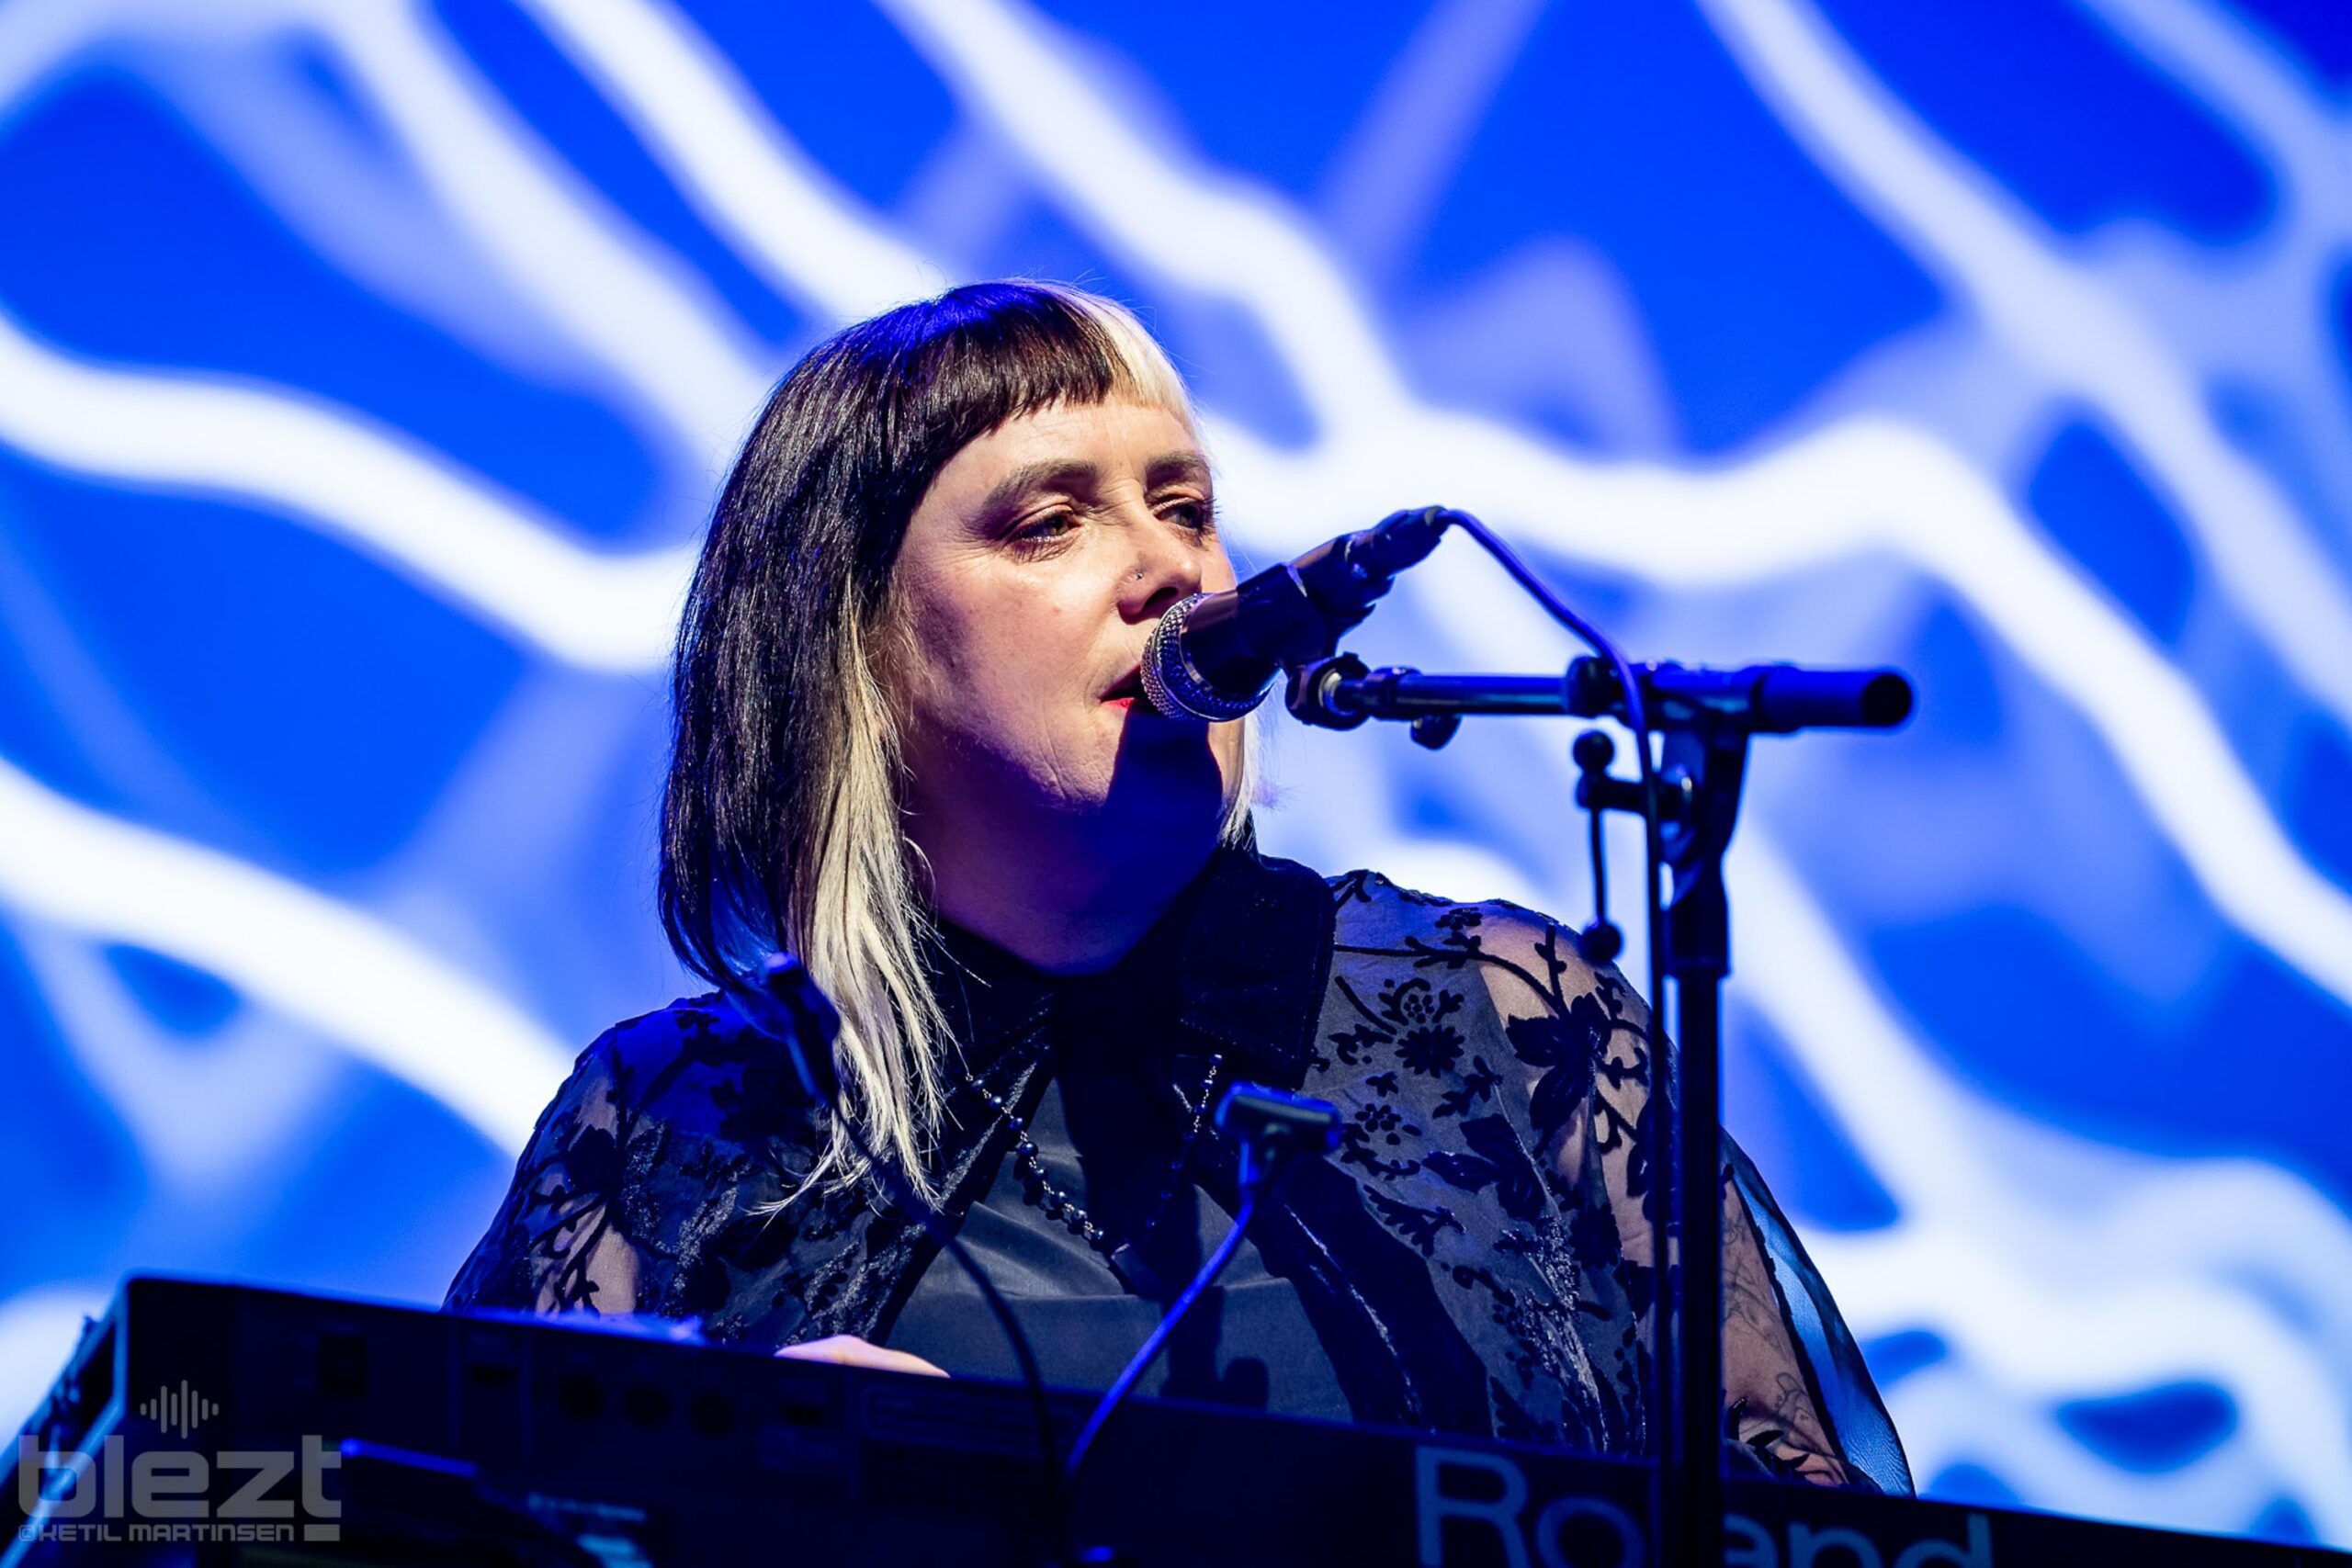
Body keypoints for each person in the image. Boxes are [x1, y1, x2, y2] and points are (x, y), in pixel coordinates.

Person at [446, 281, 1910, 1493]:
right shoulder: (669, 1120)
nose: (1170, 569)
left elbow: (1804, 1516)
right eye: (1050, 522)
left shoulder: (1510, 1021)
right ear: (853, 656)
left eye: (1185, 506)